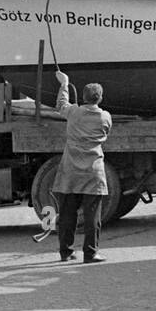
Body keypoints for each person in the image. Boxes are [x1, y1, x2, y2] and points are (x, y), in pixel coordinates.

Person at [53, 71, 112, 263]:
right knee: (92, 216)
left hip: (70, 170)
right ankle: (91, 253)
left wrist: (65, 83)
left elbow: (61, 105)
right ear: (100, 98)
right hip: (93, 171)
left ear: (84, 97)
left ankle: (66, 252)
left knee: (67, 214)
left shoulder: (74, 112)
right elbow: (106, 132)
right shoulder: (105, 117)